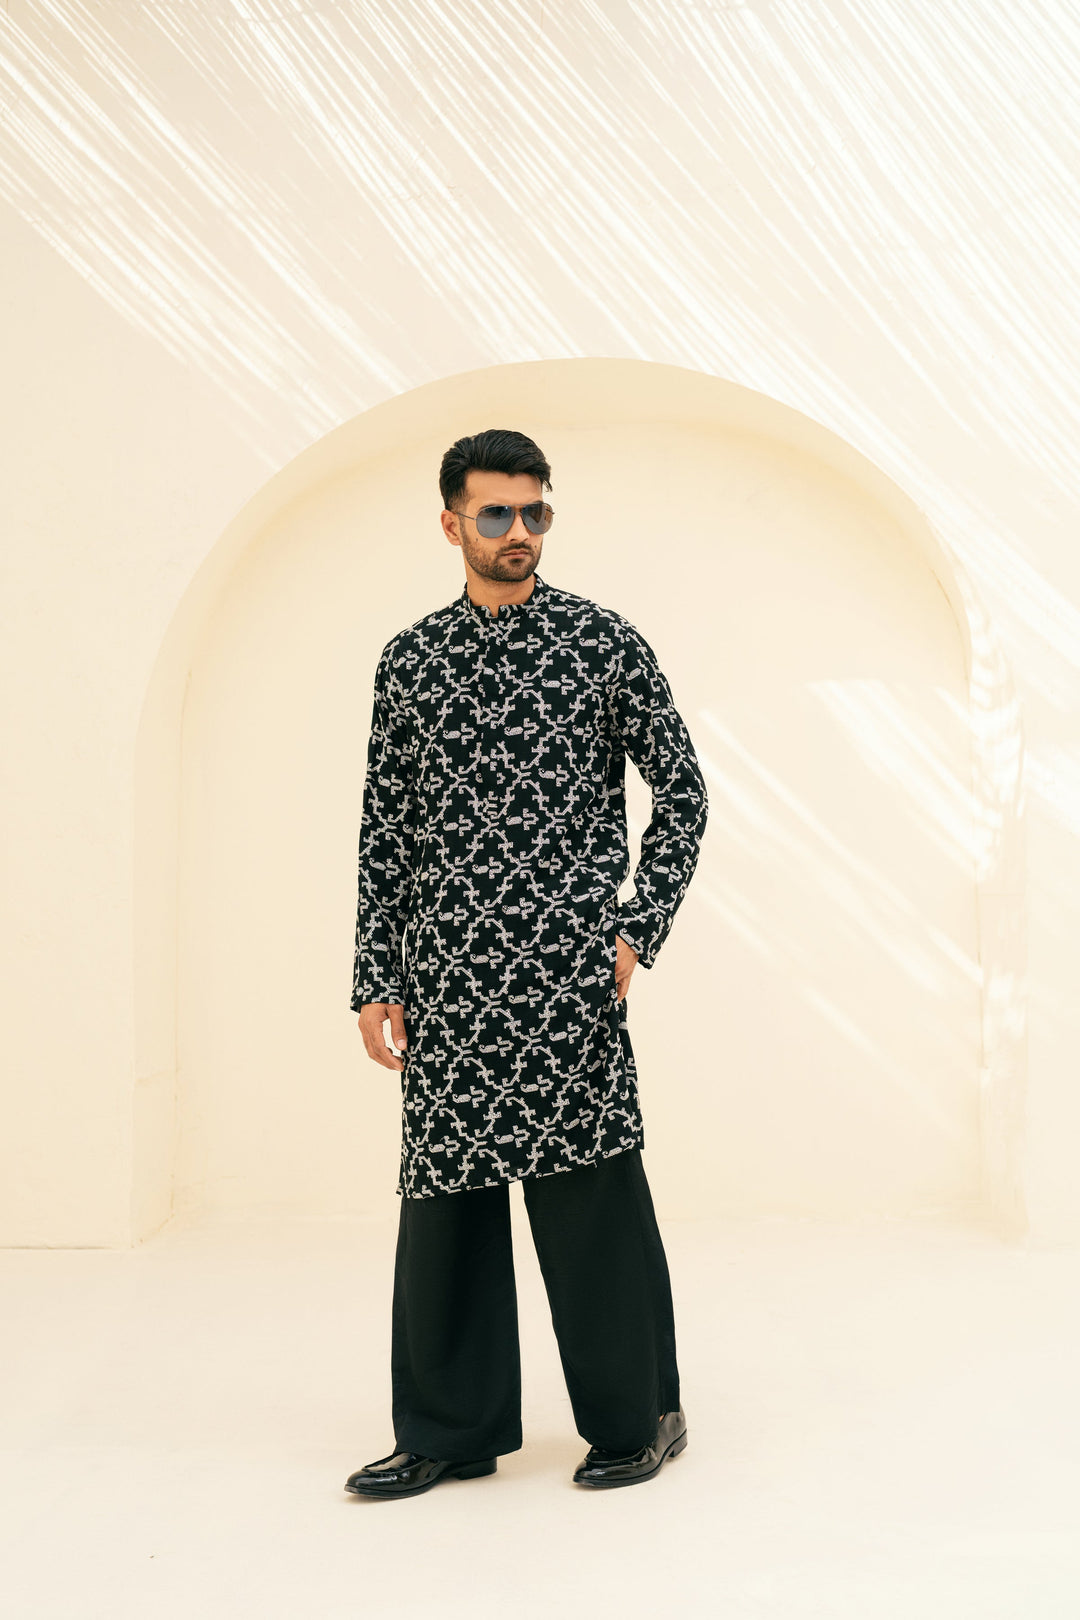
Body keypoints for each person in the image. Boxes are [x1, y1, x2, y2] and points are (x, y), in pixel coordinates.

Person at [344, 428, 708, 1499]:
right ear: (451, 521)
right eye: (497, 512)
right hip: (448, 980)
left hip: (565, 980)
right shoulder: (410, 661)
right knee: (446, 1210)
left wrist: (638, 927)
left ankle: (639, 1417)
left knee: (591, 1202)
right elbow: (387, 829)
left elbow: (683, 790)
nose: (519, 531)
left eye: (535, 511)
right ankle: (450, 1431)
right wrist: (376, 974)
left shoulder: (601, 643)